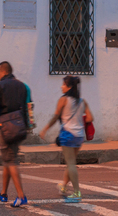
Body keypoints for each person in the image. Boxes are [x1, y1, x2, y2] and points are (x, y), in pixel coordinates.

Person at [40, 75, 93, 203]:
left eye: (63, 84)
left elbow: (55, 117)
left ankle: (77, 192)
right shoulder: (82, 101)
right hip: (79, 136)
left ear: (69, 87)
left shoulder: (63, 100)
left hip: (68, 134)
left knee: (70, 164)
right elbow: (90, 118)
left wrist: (45, 129)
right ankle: (63, 186)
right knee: (71, 163)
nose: (61, 86)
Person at [0, 61, 28, 207]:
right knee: (8, 158)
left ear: (4, 72)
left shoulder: (1, 86)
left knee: (10, 160)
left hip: (5, 127)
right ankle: (3, 193)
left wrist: (3, 114)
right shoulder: (22, 85)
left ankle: (21, 196)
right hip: (19, 126)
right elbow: (26, 106)